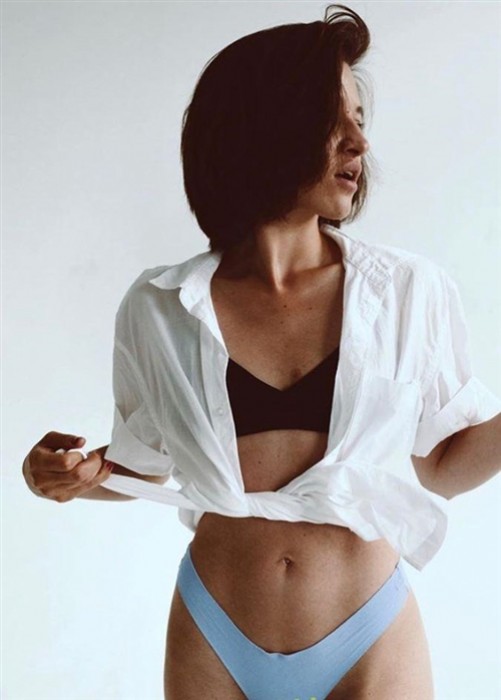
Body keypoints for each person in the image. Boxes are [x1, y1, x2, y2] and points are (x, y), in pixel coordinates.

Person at [22, 5, 501, 699]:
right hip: (213, 633)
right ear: (263, 124)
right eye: (334, 119)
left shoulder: (406, 291)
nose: (359, 143)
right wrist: (64, 476)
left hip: (368, 635)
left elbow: (444, 467)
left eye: (360, 119)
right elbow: (138, 466)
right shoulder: (159, 306)